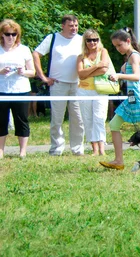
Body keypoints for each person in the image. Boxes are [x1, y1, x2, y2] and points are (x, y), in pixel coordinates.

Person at [100, 29, 140, 171]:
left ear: (127, 41)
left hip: (138, 98)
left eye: (119, 45)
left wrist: (119, 75)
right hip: (133, 98)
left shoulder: (133, 56)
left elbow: (137, 76)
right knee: (114, 125)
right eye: (115, 46)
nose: (117, 48)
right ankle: (118, 160)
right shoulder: (131, 57)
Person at [32, 14, 85, 156]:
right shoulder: (52, 38)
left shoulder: (81, 40)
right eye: (70, 25)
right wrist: (43, 77)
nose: (74, 28)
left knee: (78, 119)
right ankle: (57, 148)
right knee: (57, 118)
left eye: (76, 25)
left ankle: (77, 149)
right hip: (58, 84)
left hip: (78, 85)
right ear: (63, 26)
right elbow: (36, 54)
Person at [0, 19, 36, 158]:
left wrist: (23, 72)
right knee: (1, 120)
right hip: (2, 89)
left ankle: (22, 152)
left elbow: (32, 72)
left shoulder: (24, 49)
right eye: (8, 34)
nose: (11, 37)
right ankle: (1, 151)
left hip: (21, 89)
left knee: (22, 120)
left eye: (14, 34)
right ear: (2, 34)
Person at [76, 29, 111, 156]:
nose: (92, 42)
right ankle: (94, 149)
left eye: (95, 39)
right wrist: (96, 66)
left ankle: (102, 148)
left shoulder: (103, 52)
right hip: (84, 90)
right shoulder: (81, 57)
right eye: (89, 40)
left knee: (99, 118)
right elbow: (80, 75)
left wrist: (88, 72)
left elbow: (104, 69)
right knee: (87, 119)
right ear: (85, 41)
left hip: (100, 90)